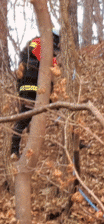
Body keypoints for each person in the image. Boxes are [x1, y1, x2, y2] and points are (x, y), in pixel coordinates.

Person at [11, 28, 61, 157]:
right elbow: (47, 64)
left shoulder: (43, 47)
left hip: (35, 89)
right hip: (31, 88)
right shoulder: (39, 43)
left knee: (34, 116)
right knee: (24, 118)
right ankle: (14, 150)